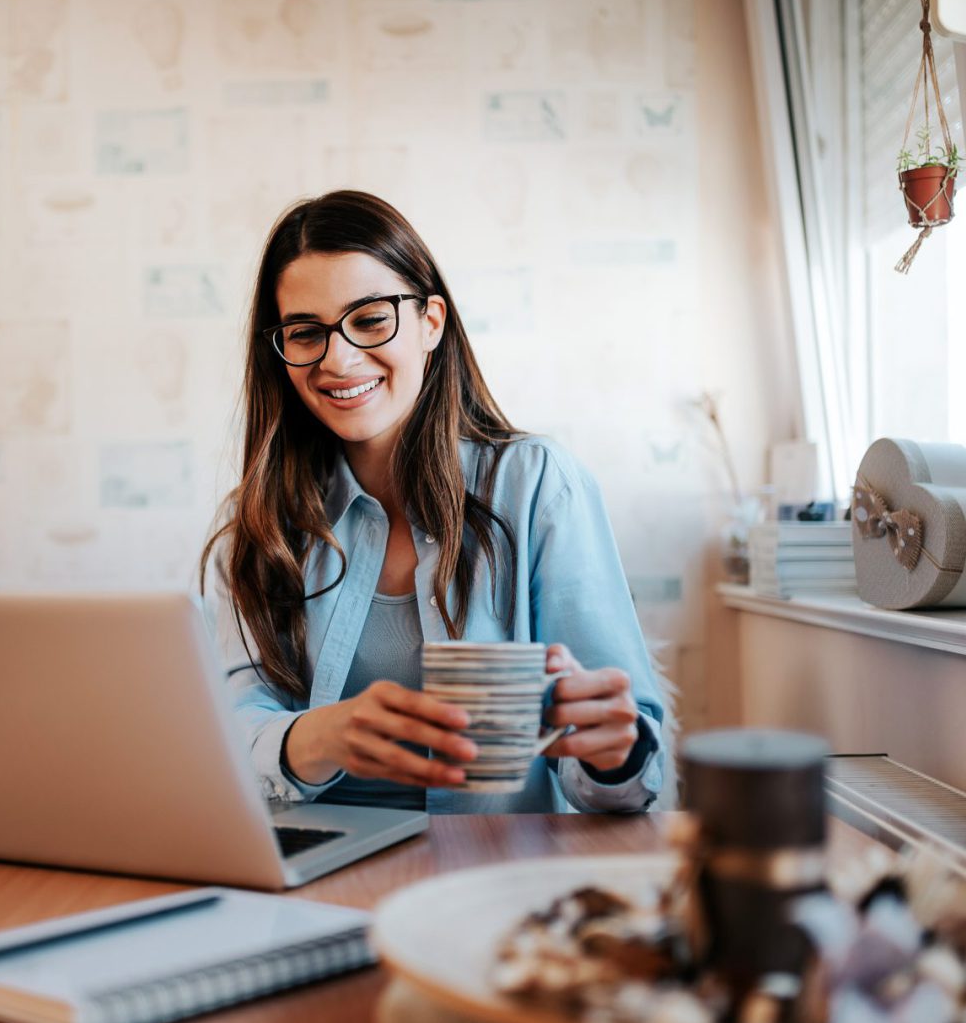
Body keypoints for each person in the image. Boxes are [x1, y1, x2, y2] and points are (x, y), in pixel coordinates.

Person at [202, 190, 669, 814]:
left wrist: (614, 753)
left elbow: (635, 781)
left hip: (491, 875)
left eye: (369, 320)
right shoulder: (254, 525)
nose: (337, 360)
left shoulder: (536, 485)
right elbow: (232, 736)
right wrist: (320, 736)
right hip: (310, 868)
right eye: (305, 333)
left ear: (431, 322)